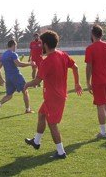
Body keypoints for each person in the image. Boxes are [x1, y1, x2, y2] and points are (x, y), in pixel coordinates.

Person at [24, 30, 83, 159]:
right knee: (41, 114)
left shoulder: (46, 62)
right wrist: (77, 83)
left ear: (45, 45)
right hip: (58, 95)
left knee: (52, 124)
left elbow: (37, 81)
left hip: (53, 97)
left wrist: (25, 85)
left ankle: (61, 152)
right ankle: (37, 142)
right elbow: (76, 67)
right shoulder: (63, 54)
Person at [85, 24, 106, 138]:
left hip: (99, 81)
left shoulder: (90, 48)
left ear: (92, 35)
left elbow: (89, 66)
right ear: (102, 34)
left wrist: (88, 82)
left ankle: (103, 131)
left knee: (100, 105)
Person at [0, 40, 34, 116]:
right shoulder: (13, 54)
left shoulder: (3, 55)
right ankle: (28, 109)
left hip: (8, 78)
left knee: (9, 95)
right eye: (16, 46)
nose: (16, 47)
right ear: (13, 45)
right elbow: (19, 64)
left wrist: (1, 78)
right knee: (25, 91)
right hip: (16, 76)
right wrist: (30, 63)